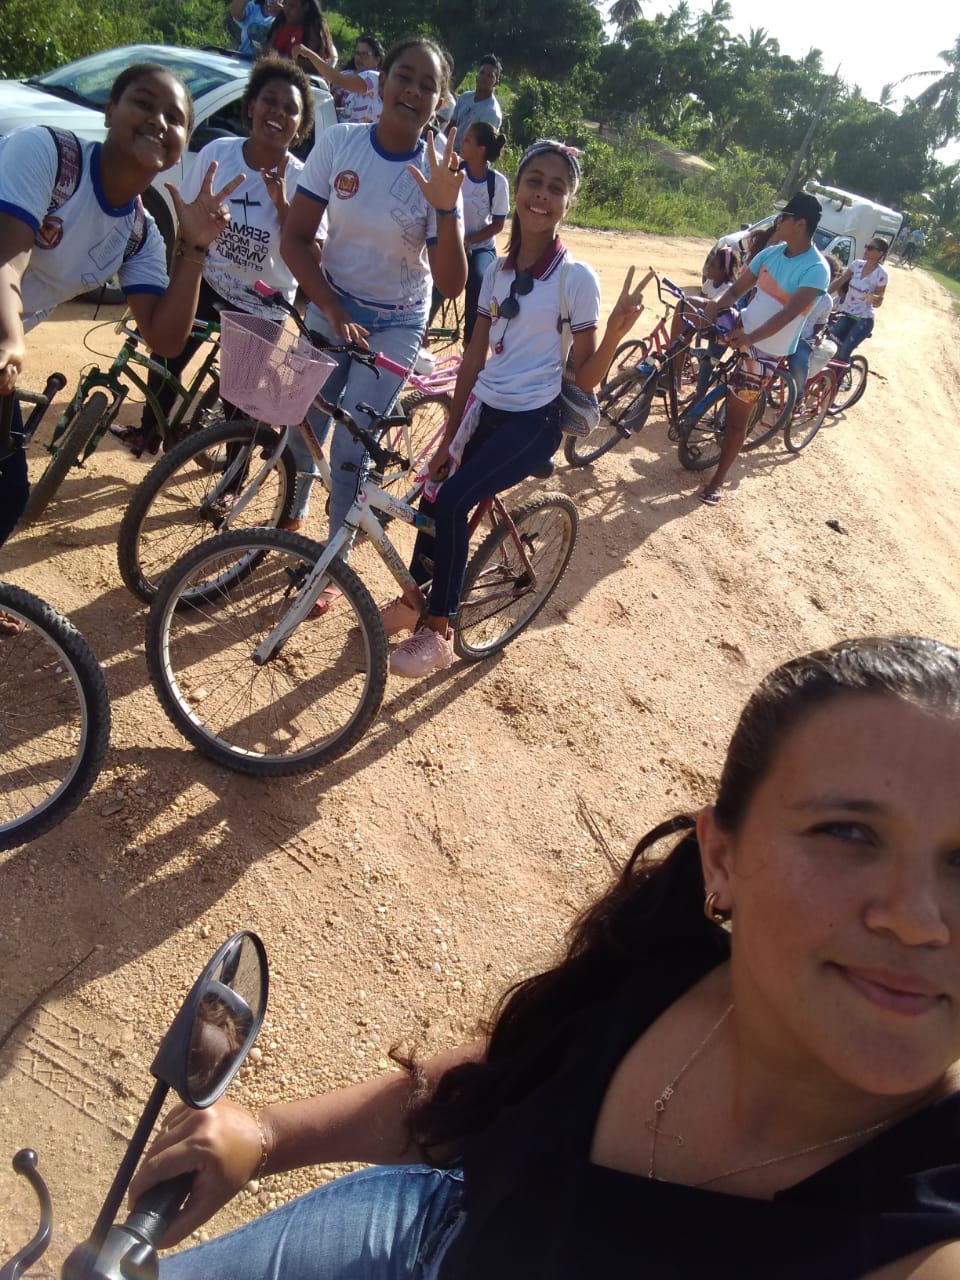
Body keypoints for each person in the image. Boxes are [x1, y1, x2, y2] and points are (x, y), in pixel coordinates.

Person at [132, 633, 960, 1278]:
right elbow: (497, 1084)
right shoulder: (666, 967)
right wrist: (267, 1134)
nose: (919, 920)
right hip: (417, 1241)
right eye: (848, 833)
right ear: (721, 859)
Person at [383, 139, 645, 678]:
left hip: (534, 421)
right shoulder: (498, 274)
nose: (542, 195)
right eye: (534, 182)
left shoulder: (575, 278)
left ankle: (439, 629)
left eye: (556, 187)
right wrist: (450, 436)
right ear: (517, 188)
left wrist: (617, 332)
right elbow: (475, 355)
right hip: (485, 409)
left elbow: (587, 376)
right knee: (434, 493)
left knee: (452, 501)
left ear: (568, 202)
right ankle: (415, 599)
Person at [0, 63, 243, 549]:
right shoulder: (47, 154)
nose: (158, 121)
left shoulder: (138, 234)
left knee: (7, 495)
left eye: (175, 118)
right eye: (144, 104)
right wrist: (10, 337)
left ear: (182, 145)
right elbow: (8, 260)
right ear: (111, 111)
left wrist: (194, 247)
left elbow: (166, 339)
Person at [278, 37, 467, 565]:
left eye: (428, 86)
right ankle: (291, 519)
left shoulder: (439, 169)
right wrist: (331, 308)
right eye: (404, 77)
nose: (413, 91)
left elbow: (452, 283)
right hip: (331, 303)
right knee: (300, 427)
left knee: (348, 450)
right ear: (380, 83)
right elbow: (295, 240)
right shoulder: (340, 143)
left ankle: (331, 564)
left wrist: (446, 208)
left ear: (439, 102)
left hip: (395, 323)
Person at [111, 56, 315, 458]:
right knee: (167, 356)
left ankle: (232, 480)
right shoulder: (219, 153)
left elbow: (309, 251)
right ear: (251, 106)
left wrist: (281, 203)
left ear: (301, 124)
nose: (278, 113)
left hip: (264, 303)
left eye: (290, 109)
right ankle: (147, 433)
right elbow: (188, 223)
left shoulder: (303, 178)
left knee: (240, 402)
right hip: (210, 280)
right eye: (269, 101)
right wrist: (176, 277)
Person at [699, 191, 830, 506]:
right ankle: (667, 381)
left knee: (737, 419)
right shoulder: (771, 253)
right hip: (743, 327)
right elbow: (736, 290)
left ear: (800, 223)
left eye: (784, 217)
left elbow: (788, 315)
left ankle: (716, 482)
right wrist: (715, 305)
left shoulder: (816, 269)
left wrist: (750, 339)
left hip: (766, 349)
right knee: (686, 308)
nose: (778, 221)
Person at [295, 34, 384, 124]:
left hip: (357, 132)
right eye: (357, 53)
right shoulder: (346, 73)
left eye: (364, 54)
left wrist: (308, 54)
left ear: (377, 59)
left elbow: (339, 79)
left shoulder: (375, 78)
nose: (359, 58)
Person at [788, 251, 842, 394]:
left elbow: (820, 324)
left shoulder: (826, 301)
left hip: (803, 339)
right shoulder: (796, 287)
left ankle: (798, 398)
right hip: (784, 331)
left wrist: (818, 334)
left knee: (799, 364)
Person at [829, 238, 889, 367]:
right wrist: (824, 294)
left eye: (870, 248)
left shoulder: (882, 274)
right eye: (867, 246)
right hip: (847, 313)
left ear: (880, 253)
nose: (866, 250)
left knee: (844, 352)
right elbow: (840, 281)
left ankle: (841, 376)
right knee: (829, 346)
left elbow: (878, 303)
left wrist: (876, 299)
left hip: (863, 319)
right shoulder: (856, 265)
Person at [449, 54, 503, 152]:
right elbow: (451, 126)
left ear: (496, 82)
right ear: (477, 75)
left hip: (467, 157)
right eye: (482, 73)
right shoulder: (465, 97)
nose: (484, 77)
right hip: (448, 150)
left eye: (490, 76)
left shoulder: (492, 112)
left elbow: (482, 147)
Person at [267, 0, 337, 69]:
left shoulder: (314, 27)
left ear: (306, 7)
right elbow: (269, 46)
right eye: (285, 3)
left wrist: (281, 61)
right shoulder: (282, 19)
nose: (286, 9)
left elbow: (314, 64)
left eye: (292, 6)